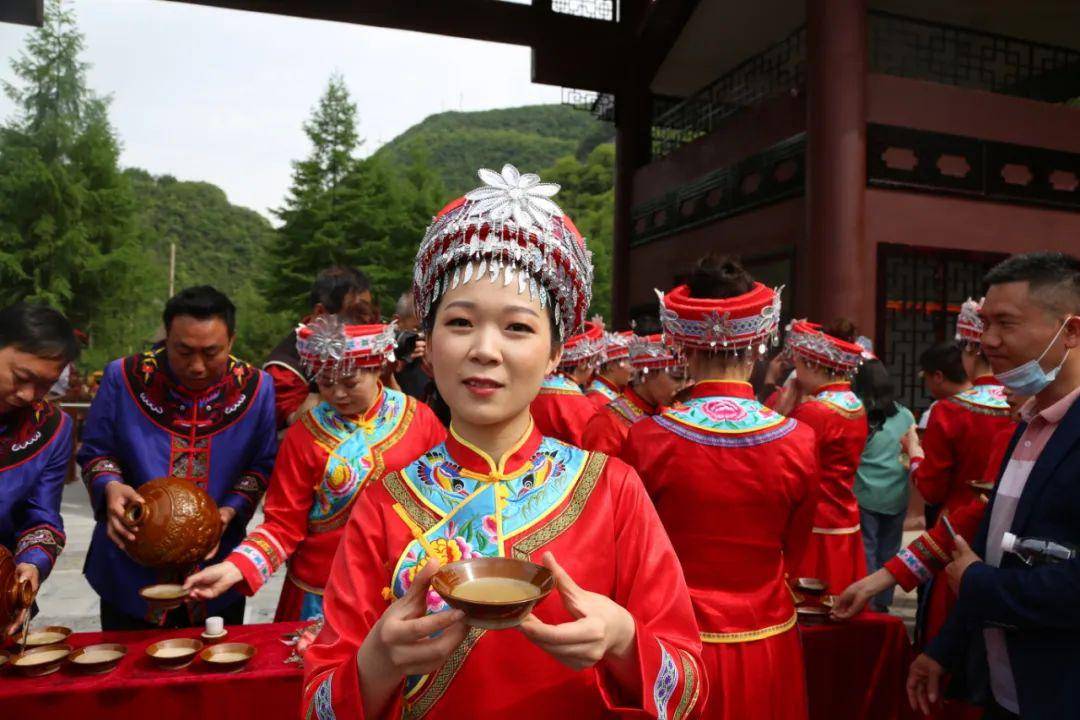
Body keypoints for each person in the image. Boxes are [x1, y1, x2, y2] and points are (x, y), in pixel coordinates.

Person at [303, 164, 704, 719]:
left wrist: (624, 640)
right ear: (428, 341)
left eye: (517, 327)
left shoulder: (613, 491)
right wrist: (376, 662)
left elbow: (689, 685)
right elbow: (317, 704)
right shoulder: (384, 504)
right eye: (460, 322)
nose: (485, 350)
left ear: (557, 352)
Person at [624, 256, 817, 720]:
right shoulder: (799, 439)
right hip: (766, 632)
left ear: (681, 349)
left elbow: (632, 551)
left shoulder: (648, 437)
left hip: (674, 638)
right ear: (758, 347)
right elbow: (796, 546)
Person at [907, 252, 1080, 720]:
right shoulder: (1026, 426)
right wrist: (944, 649)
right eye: (985, 324)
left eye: (1005, 323)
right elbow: (986, 552)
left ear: (1072, 331)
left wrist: (981, 584)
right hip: (1005, 690)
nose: (988, 342)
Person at [183, 314, 446, 621]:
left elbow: (447, 498)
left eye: (350, 382)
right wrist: (235, 566)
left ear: (377, 368)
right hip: (321, 592)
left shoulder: (419, 419)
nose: (338, 394)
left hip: (404, 584)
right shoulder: (303, 435)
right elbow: (282, 524)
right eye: (325, 382)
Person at [78, 286, 277, 630]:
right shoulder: (124, 377)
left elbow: (261, 465)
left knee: (212, 669)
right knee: (127, 673)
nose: (197, 366)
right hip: (129, 565)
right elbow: (96, 450)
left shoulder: (257, 388)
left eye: (211, 352)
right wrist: (110, 485)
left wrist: (228, 510)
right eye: (182, 351)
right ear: (166, 336)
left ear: (231, 341)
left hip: (216, 568)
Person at [0, 304, 79, 635]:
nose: (28, 395)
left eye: (45, 385)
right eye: (22, 377)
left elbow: (41, 517)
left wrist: (32, 563)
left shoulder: (51, 429)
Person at [784, 319, 869, 595]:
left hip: (815, 524)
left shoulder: (814, 412)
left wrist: (783, 412)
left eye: (797, 365)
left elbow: (784, 461)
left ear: (815, 365)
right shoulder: (855, 404)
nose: (795, 374)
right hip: (845, 516)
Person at [909, 330, 1013, 522]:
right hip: (1008, 520)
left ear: (971, 350)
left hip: (959, 520)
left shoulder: (948, 410)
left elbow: (932, 491)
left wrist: (914, 453)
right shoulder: (1022, 402)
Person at [264, 266, 374, 430]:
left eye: (366, 311)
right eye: (356, 313)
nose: (366, 321)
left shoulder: (364, 344)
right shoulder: (284, 368)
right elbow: (297, 426)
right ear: (321, 312)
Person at [850, 358, 916, 613]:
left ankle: (866, 602)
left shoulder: (859, 415)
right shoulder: (906, 415)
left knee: (867, 547)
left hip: (865, 494)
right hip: (896, 495)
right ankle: (883, 602)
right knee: (890, 552)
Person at [581, 333, 685, 458]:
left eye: (688, 377)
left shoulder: (674, 411)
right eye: (676, 376)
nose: (683, 385)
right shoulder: (607, 423)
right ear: (649, 373)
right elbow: (598, 475)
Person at [529, 320, 602, 446]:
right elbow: (590, 448)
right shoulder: (579, 405)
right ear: (582, 363)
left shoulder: (528, 389)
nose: (594, 369)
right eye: (594, 362)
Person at [585, 330, 634, 407]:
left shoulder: (612, 392)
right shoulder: (597, 399)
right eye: (630, 362)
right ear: (611, 365)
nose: (634, 368)